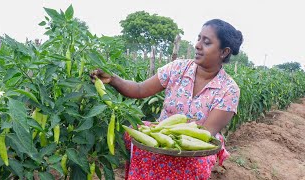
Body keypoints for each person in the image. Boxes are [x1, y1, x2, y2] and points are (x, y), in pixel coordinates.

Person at [91, 19, 243, 180]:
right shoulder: (177, 68)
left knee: (196, 164)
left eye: (206, 42)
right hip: (161, 134)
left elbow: (205, 133)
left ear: (224, 52)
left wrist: (164, 137)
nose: (198, 45)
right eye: (199, 38)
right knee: (137, 139)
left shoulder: (229, 90)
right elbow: (140, 89)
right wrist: (113, 79)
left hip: (195, 147)